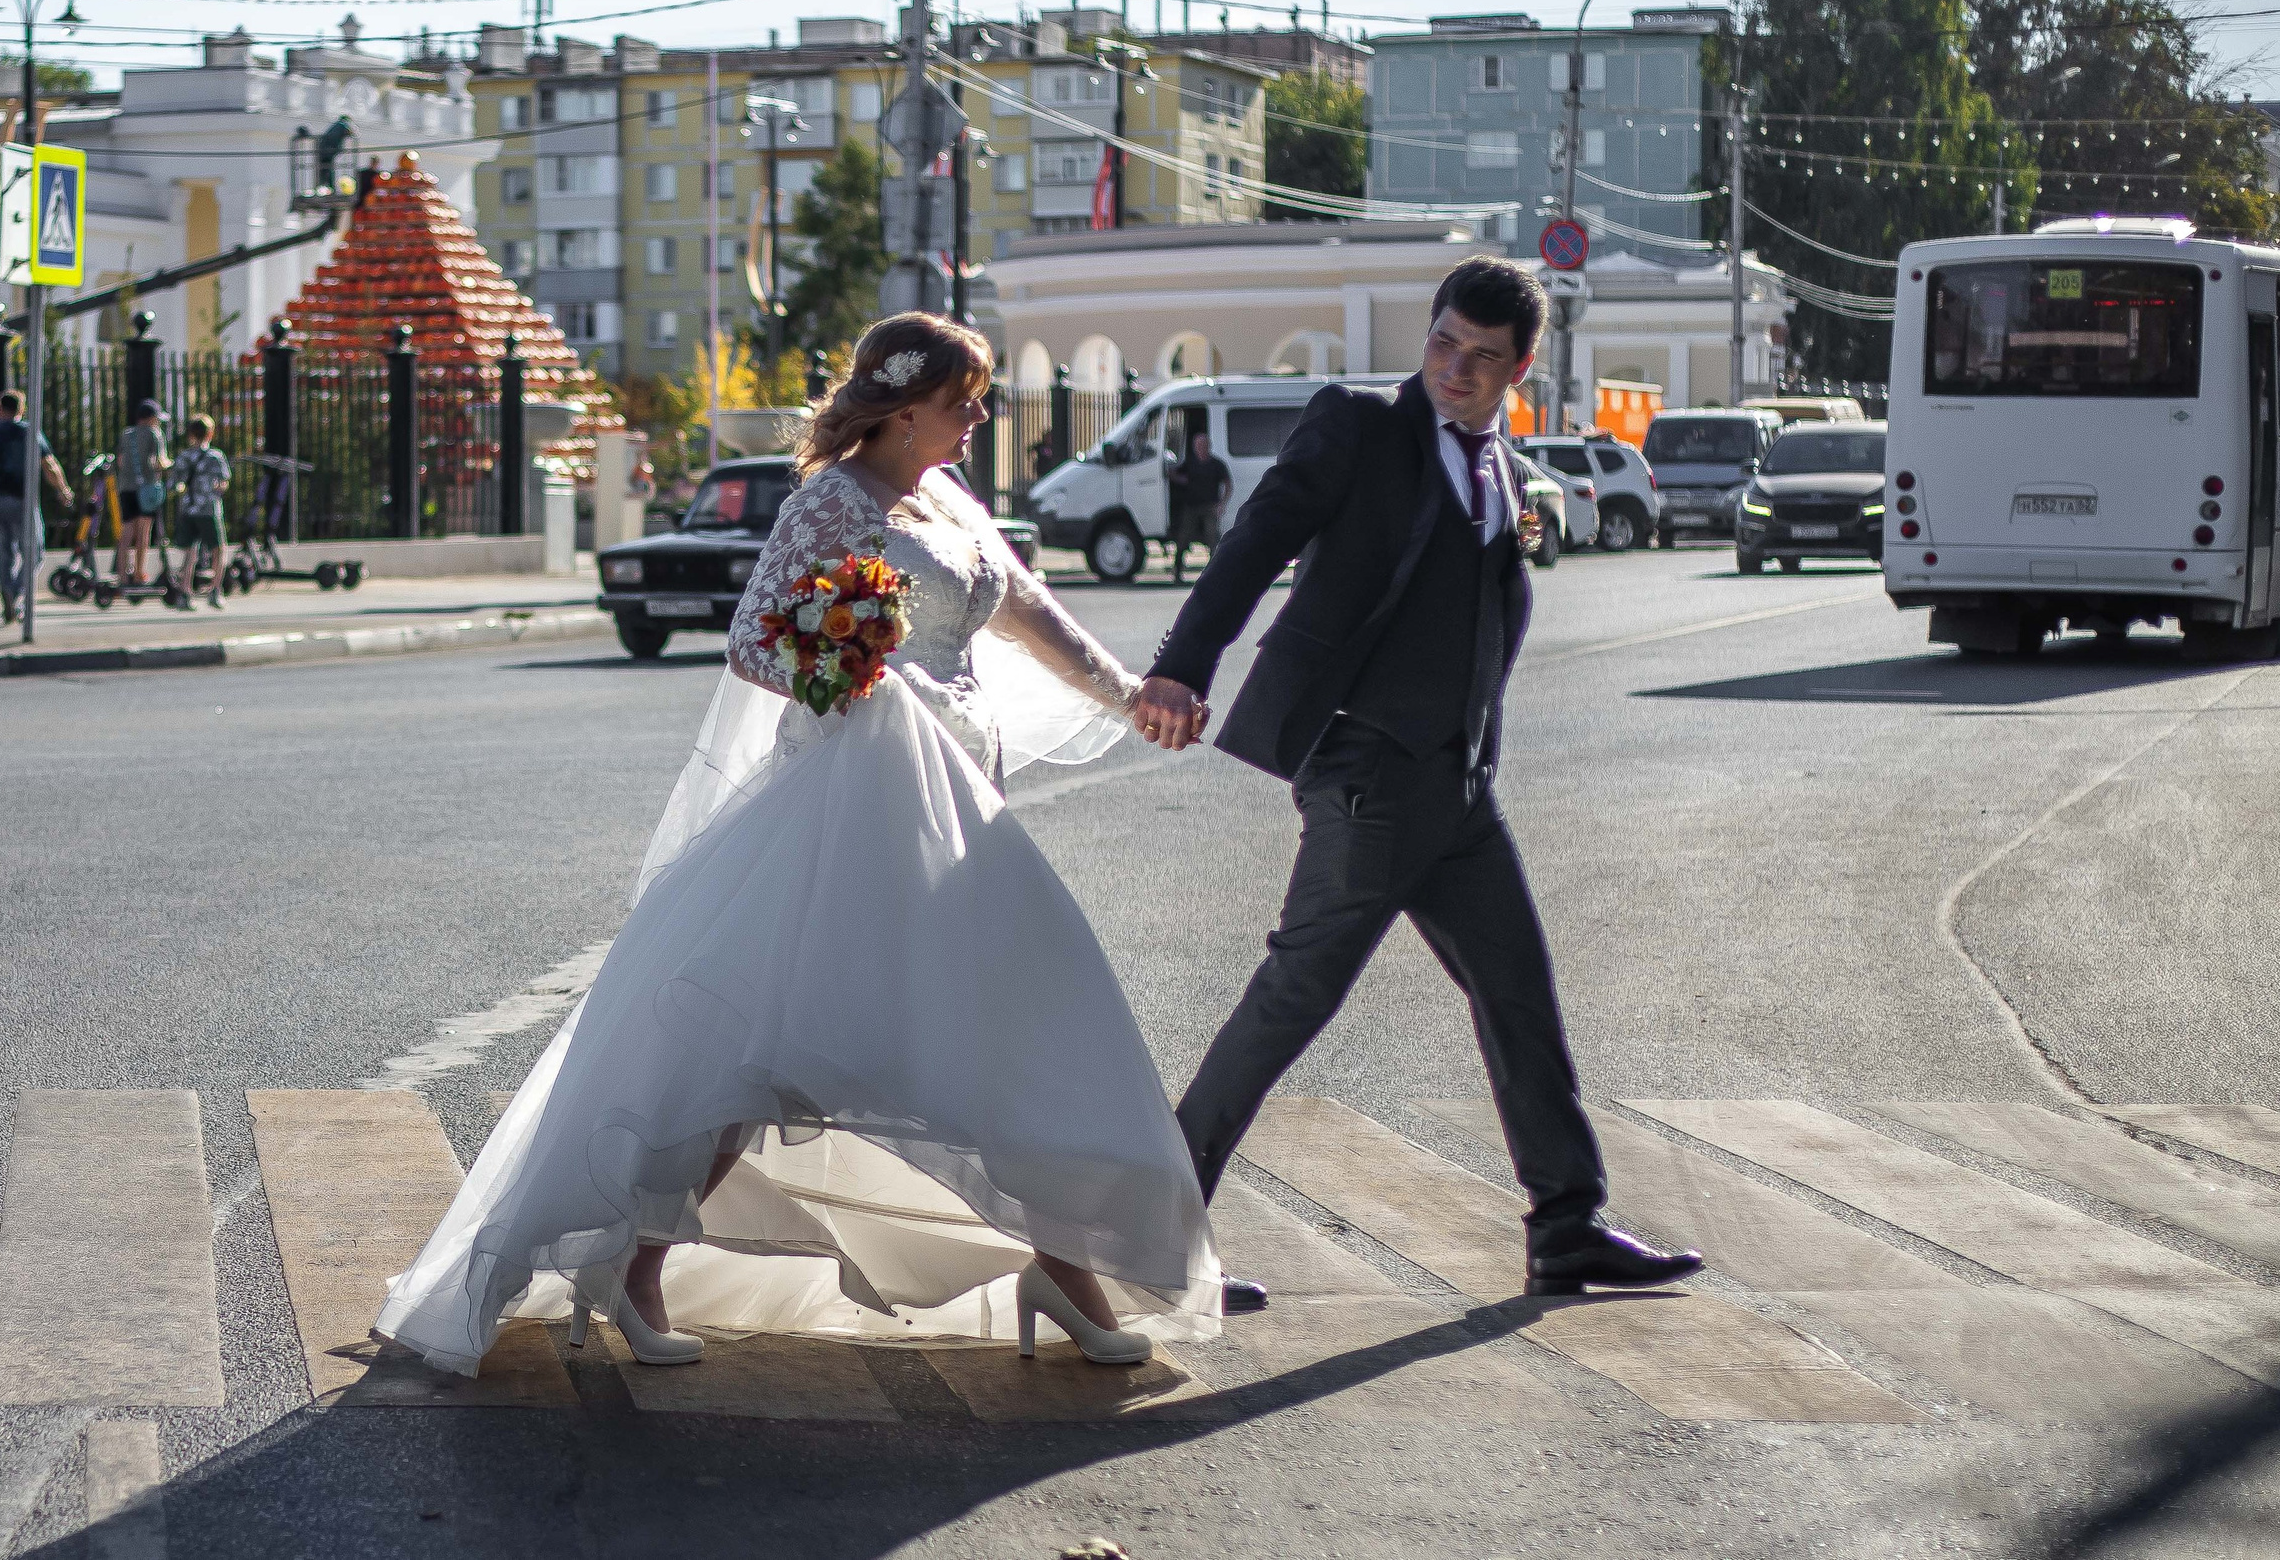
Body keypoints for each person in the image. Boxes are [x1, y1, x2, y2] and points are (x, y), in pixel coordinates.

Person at [377, 312, 1219, 1377]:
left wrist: (1129, 692)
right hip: (852, 814)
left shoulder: (949, 500)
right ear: (902, 409)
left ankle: (1064, 1273)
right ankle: (633, 1265)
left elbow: (1026, 610)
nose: (978, 416)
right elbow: (754, 641)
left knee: (1009, 1032)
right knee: (755, 1056)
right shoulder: (831, 502)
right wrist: (862, 681)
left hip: (961, 811)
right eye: (962, 400)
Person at [1131, 258, 1703, 1312]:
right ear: (1428, 333)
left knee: (1518, 993)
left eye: (1484, 357)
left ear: (1518, 370)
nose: (1455, 368)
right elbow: (1256, 542)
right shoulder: (1356, 425)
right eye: (1444, 342)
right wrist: (1182, 665)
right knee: (1293, 1000)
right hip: (1367, 773)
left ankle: (1566, 1227)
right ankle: (1153, 1232)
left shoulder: (1502, 464)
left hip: (1456, 782)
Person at [0, 389, 70, 624]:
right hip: (23, 497)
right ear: (21, 408)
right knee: (35, 551)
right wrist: (63, 489)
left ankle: (7, 594)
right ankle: (17, 592)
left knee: (5, 552)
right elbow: (49, 464)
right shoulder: (29, 431)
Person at [166, 415, 230, 610]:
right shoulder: (215, 456)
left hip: (188, 509)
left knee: (190, 552)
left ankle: (185, 592)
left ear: (191, 434)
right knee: (219, 549)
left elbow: (173, 484)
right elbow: (223, 483)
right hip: (209, 509)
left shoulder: (184, 457)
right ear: (210, 433)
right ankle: (215, 590)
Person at [115, 399, 170, 587]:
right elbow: (159, 461)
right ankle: (139, 573)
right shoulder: (155, 434)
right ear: (151, 418)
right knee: (143, 532)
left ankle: (122, 575)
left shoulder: (126, 434)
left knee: (127, 531)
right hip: (146, 489)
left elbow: (120, 460)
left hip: (126, 488)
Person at [1164, 430, 1230, 585]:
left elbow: (1228, 484)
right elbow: (1177, 476)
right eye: (1197, 445)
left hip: (1210, 506)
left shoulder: (1216, 464)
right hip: (1191, 507)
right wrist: (1175, 476)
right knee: (1183, 538)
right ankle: (1177, 572)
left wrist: (1222, 504)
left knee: (1212, 538)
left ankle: (1214, 573)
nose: (1200, 448)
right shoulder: (1190, 463)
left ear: (1208, 446)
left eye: (1203, 445)